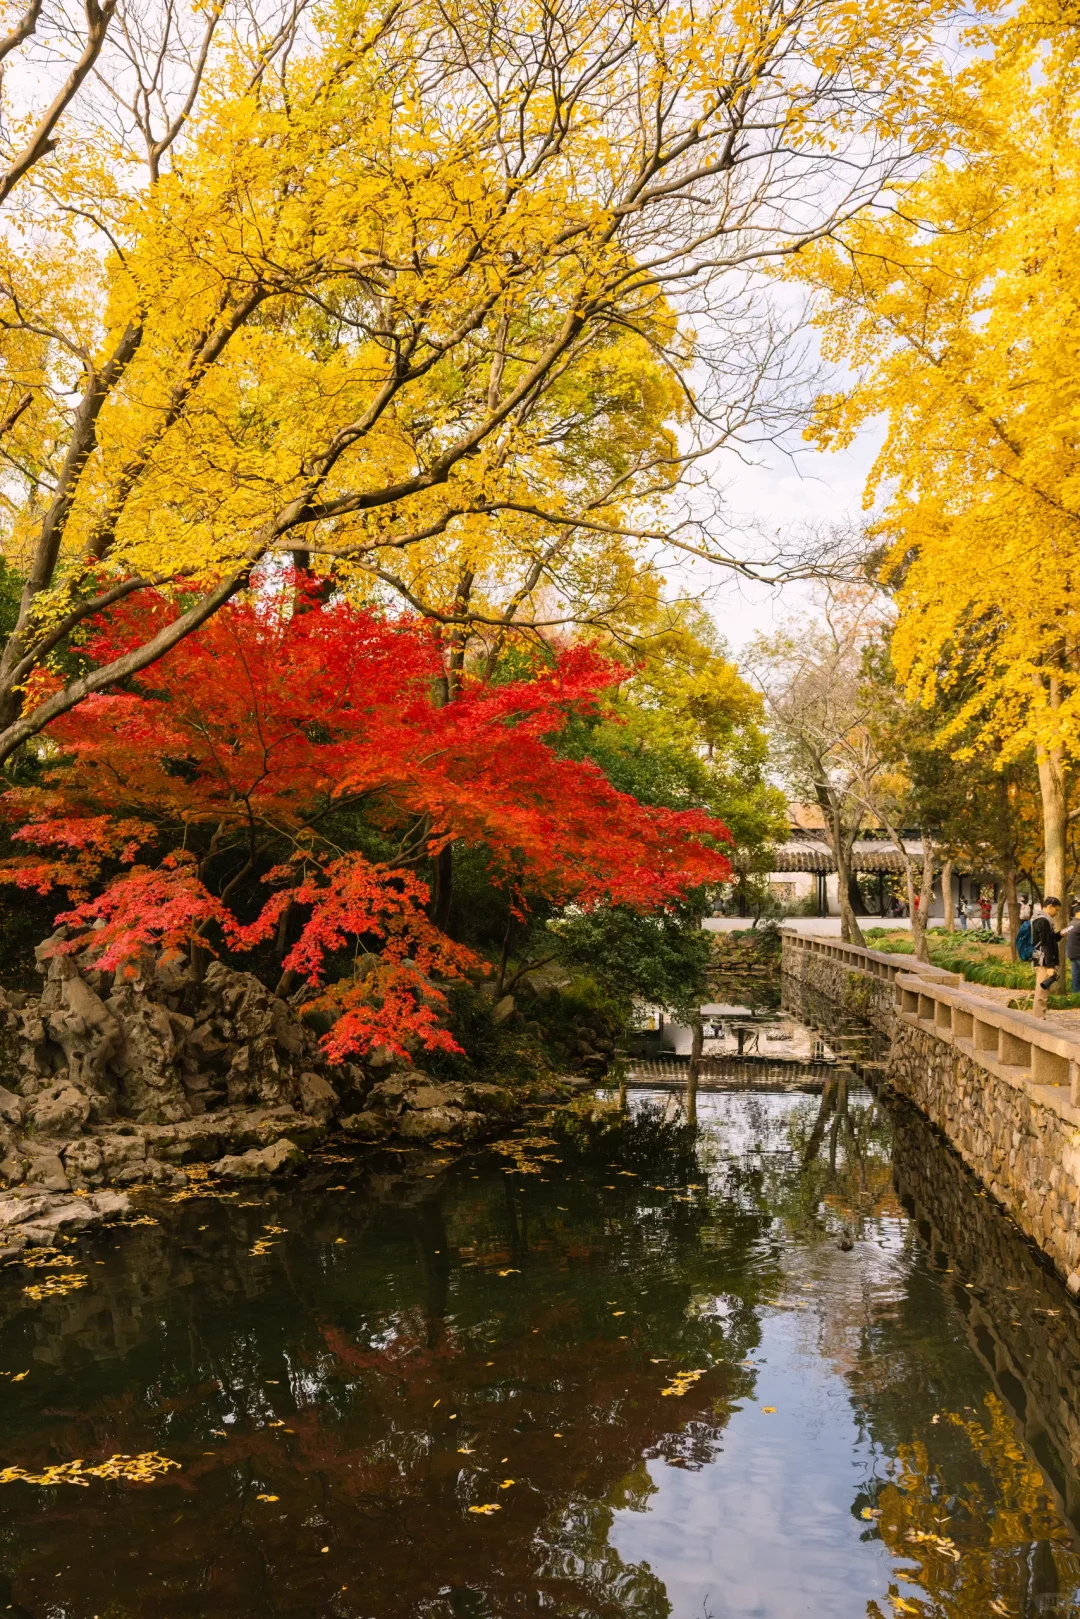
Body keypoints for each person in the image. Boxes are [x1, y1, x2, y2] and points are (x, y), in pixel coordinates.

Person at [1031, 897, 1064, 1017]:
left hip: (1042, 959)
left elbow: (1048, 940)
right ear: (1050, 906)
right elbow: (1045, 944)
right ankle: (1038, 1019)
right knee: (1042, 992)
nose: (1057, 912)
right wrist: (1050, 965)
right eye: (1056, 909)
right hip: (1044, 961)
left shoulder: (1041, 919)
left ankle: (1038, 1017)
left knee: (1042, 991)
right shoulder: (1043, 921)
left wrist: (1059, 935)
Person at [1067, 903, 1080, 994]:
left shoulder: (1070, 923)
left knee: (1075, 976)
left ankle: (1075, 995)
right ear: (1078, 913)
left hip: (1072, 954)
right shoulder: (1079, 923)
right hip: (1079, 953)